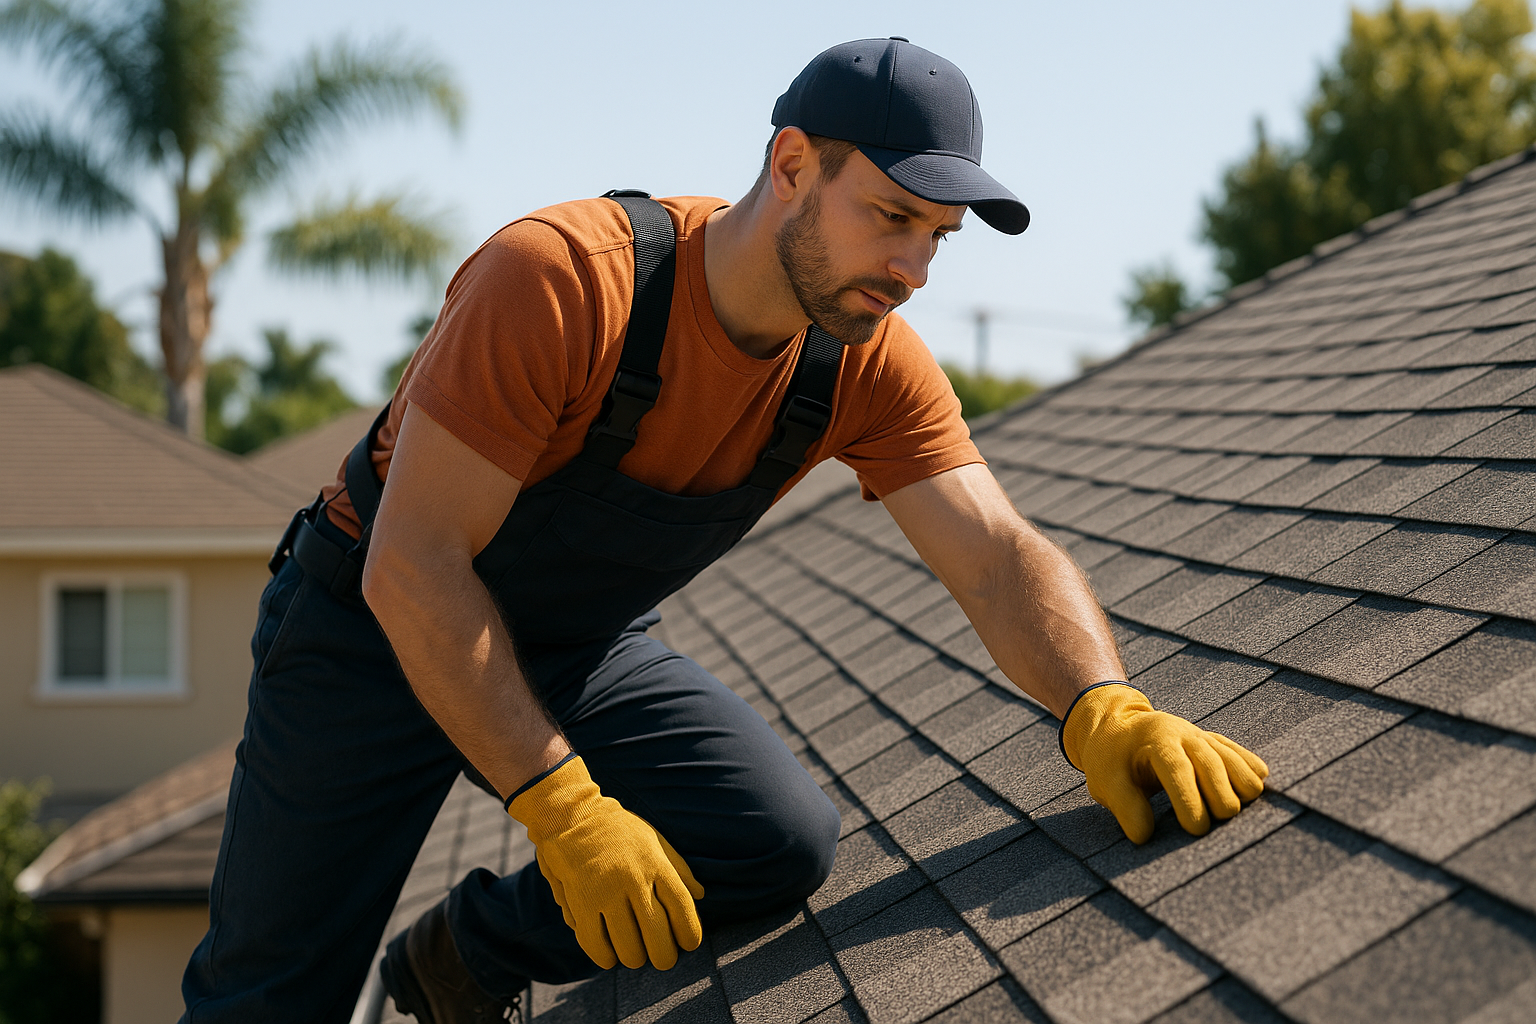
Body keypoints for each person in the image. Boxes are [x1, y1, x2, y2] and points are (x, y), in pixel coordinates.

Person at [180, 37, 1269, 1024]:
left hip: (575, 643)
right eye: (891, 218)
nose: (913, 270)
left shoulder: (861, 360)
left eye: (937, 239)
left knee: (771, 844)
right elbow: (414, 567)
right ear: (792, 164)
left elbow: (993, 552)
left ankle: (462, 955)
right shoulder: (563, 284)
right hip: (367, 636)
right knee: (268, 1000)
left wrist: (1100, 704)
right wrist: (564, 810)